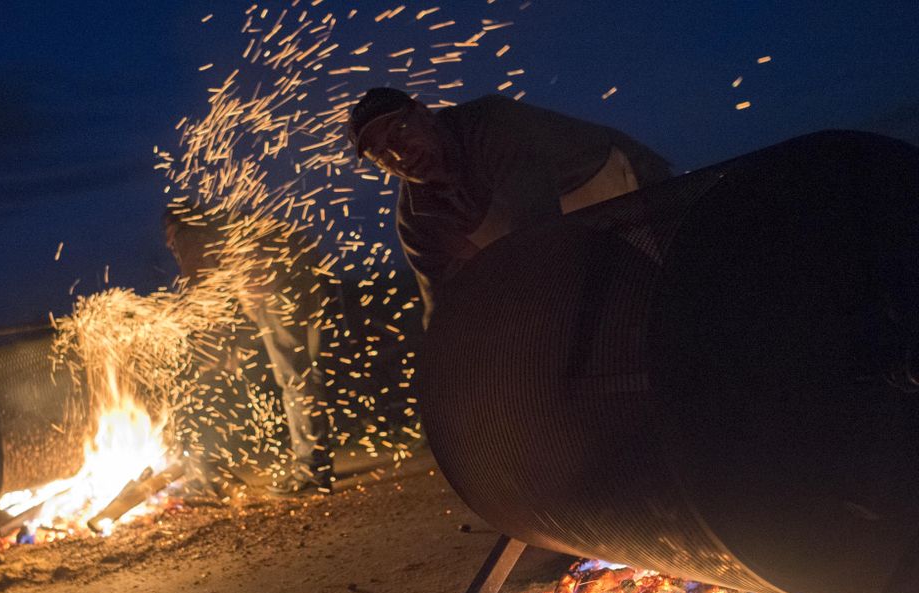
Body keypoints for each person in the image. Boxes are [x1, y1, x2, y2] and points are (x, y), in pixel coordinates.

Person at [346, 87, 672, 326]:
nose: (400, 154)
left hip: (628, 191)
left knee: (669, 296)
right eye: (383, 153)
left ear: (422, 112)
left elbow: (538, 234)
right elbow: (444, 309)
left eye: (400, 131)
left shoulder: (493, 125)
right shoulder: (417, 222)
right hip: (551, 243)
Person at [163, 204, 333, 495]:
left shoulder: (188, 233)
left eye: (169, 238)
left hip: (277, 287)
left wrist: (213, 342)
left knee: (294, 377)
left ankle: (312, 471)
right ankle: (316, 465)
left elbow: (201, 281)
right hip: (309, 277)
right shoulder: (229, 224)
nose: (170, 245)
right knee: (308, 373)